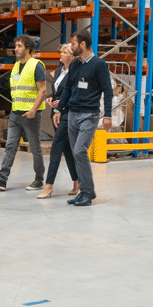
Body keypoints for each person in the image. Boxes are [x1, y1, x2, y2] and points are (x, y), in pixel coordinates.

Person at [53, 30, 112, 207]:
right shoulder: (75, 65)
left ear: (83, 44)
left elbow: (108, 91)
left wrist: (108, 115)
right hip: (72, 114)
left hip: (89, 115)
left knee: (79, 151)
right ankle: (83, 191)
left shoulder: (99, 64)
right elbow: (68, 89)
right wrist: (58, 109)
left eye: (73, 43)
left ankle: (89, 191)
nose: (71, 46)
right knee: (75, 153)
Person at [0, 34, 47, 192]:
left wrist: (33, 110)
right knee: (10, 146)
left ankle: (39, 179)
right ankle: (2, 180)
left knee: (35, 148)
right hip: (15, 114)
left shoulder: (36, 65)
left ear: (28, 48)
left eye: (19, 46)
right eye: (15, 46)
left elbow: (43, 90)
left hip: (31, 115)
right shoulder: (16, 66)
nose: (16, 49)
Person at [37, 43, 80, 199]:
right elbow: (57, 93)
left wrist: (62, 103)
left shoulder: (76, 73)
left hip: (68, 115)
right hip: (56, 114)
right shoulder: (57, 71)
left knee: (56, 147)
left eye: (64, 52)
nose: (61, 54)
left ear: (72, 57)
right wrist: (51, 99)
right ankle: (77, 182)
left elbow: (76, 95)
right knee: (67, 149)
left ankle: (48, 185)